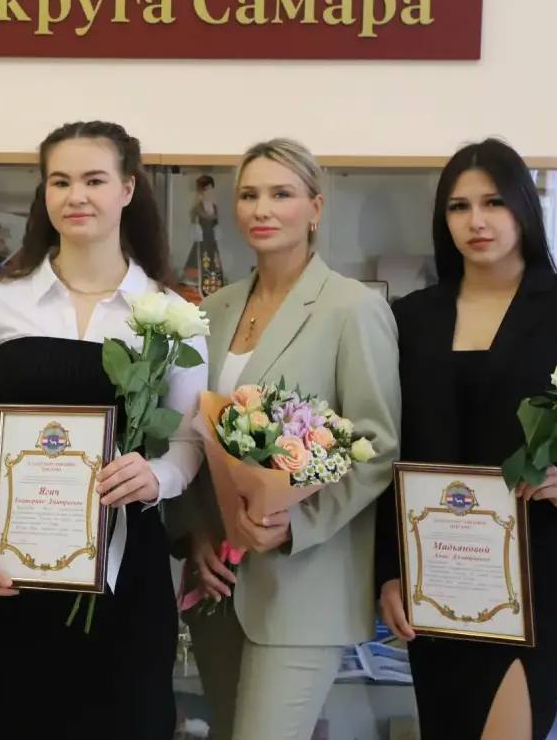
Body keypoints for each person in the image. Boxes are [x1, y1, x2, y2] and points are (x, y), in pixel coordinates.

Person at [374, 138, 557, 740]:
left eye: (494, 202)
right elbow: (389, 455)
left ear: (524, 208)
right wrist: (388, 572)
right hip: (435, 580)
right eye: (459, 207)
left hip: (532, 578)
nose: (476, 221)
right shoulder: (411, 317)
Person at [0, 120, 208, 739]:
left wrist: (158, 477)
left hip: (127, 570)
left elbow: (189, 439)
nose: (76, 196)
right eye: (60, 182)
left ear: (127, 189)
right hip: (14, 568)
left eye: (94, 180)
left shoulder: (173, 313)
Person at [167, 138, 401, 739]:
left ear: (315, 208)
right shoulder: (213, 310)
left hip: (304, 586)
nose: (262, 209)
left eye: (281, 194)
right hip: (219, 584)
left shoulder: (351, 308)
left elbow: (376, 446)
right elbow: (191, 439)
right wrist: (195, 534)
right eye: (249, 195)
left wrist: (295, 524)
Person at [182, 173, 225, 296]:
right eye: (206, 189)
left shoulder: (214, 207)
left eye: (211, 189)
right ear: (201, 191)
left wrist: (216, 231)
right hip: (201, 241)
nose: (209, 192)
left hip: (212, 239)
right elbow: (194, 224)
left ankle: (213, 285)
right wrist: (197, 231)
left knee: (213, 261)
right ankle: (195, 285)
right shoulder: (197, 208)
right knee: (199, 259)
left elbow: (216, 223)